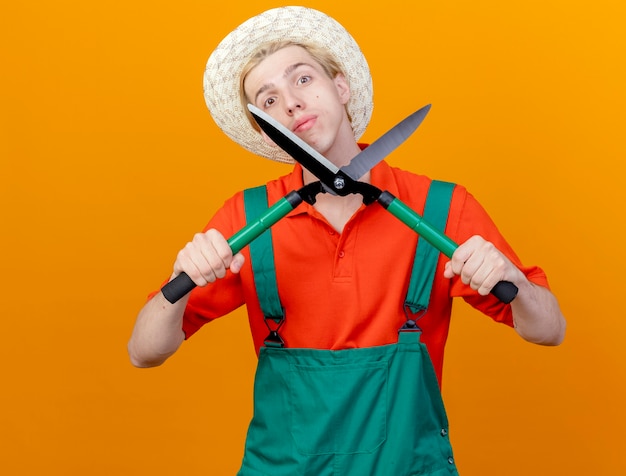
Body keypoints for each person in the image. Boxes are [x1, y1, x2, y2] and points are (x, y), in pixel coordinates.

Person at [128, 6, 565, 475]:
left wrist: (511, 279)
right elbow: (143, 351)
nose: (290, 103)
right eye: (268, 100)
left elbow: (549, 330)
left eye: (301, 80)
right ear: (267, 133)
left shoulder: (442, 208)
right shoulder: (247, 219)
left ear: (341, 88)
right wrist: (182, 282)